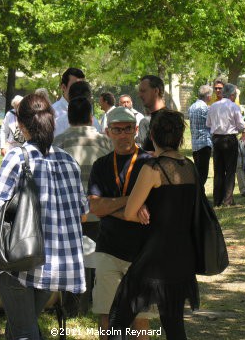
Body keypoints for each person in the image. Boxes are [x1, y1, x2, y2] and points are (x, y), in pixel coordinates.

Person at [0, 94, 87, 339]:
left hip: (17, 259)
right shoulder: (69, 160)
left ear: (20, 123)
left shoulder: (17, 156)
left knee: (23, 330)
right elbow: (82, 214)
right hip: (55, 263)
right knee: (20, 326)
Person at [108, 109, 200, 340]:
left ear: (153, 136)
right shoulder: (190, 167)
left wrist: (140, 205)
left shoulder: (153, 169)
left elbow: (129, 212)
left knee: (118, 320)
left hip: (154, 259)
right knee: (174, 325)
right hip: (182, 257)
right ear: (179, 137)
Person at [88, 107, 155, 340]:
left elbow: (154, 210)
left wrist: (111, 207)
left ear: (136, 130)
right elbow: (95, 207)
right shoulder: (101, 165)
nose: (123, 134)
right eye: (117, 129)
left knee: (140, 319)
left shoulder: (150, 163)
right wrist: (132, 202)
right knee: (106, 315)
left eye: (127, 129)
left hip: (142, 252)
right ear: (108, 132)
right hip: (108, 249)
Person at [53, 96, 112, 241]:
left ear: (69, 118)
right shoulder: (107, 143)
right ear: (91, 118)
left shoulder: (57, 144)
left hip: (68, 217)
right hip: (100, 216)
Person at [206, 83, 245, 207]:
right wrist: (241, 128)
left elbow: (208, 124)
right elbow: (241, 125)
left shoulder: (213, 106)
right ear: (232, 95)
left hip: (217, 139)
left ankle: (217, 199)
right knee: (230, 170)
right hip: (229, 139)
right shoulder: (234, 106)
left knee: (218, 170)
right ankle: (228, 200)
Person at [188, 84, 213, 186]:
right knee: (203, 174)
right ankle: (199, 196)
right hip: (204, 143)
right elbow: (211, 124)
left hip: (195, 144)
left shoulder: (191, 107)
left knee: (197, 172)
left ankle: (197, 195)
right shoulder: (205, 108)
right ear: (208, 96)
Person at [136, 75, 166, 151]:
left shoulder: (167, 118)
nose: (139, 95)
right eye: (139, 91)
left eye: (143, 91)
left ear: (156, 91)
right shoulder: (154, 117)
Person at [53, 67, 85, 136]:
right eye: (75, 87)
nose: (80, 90)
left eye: (82, 86)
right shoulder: (53, 112)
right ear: (63, 87)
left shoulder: (87, 112)